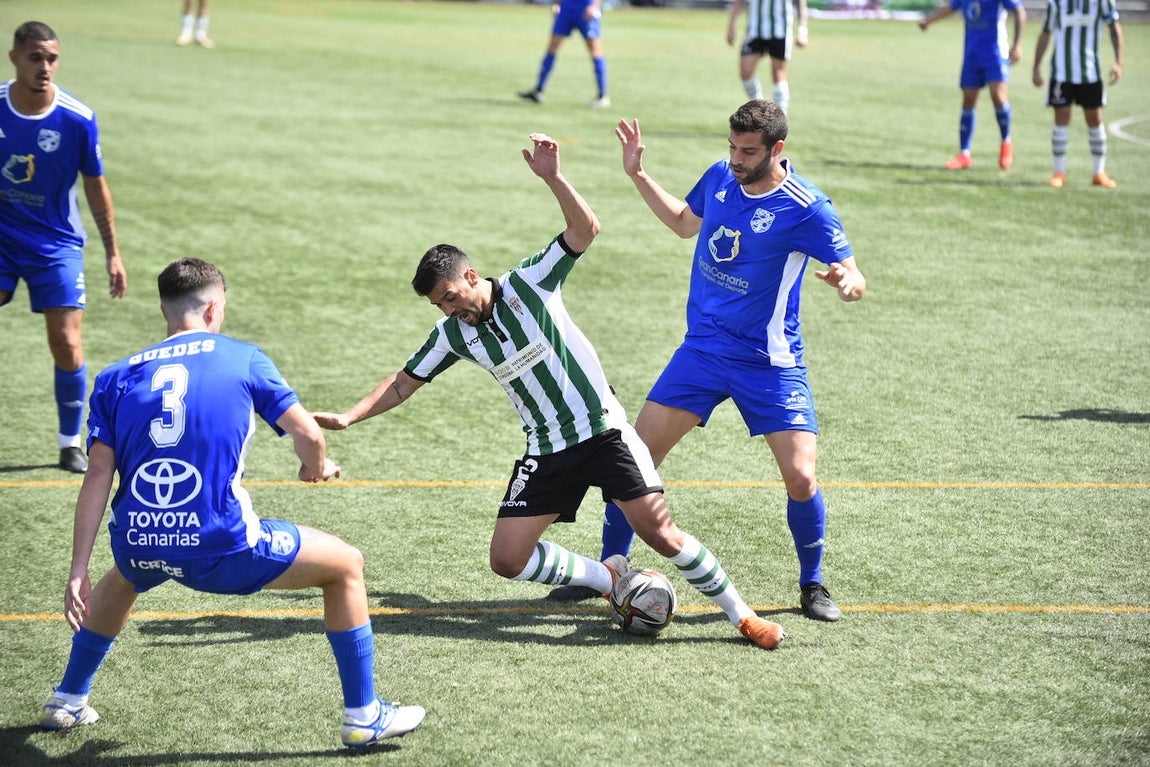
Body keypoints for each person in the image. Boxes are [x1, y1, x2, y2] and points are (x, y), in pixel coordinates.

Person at [313, 133, 786, 651]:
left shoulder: (528, 284)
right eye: (440, 306)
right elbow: (404, 382)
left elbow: (585, 229)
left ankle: (743, 617)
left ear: (471, 276)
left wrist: (553, 178)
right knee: (507, 560)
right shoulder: (456, 334)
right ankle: (609, 579)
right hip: (546, 449)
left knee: (660, 533)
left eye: (451, 296)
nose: (450, 309)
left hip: (604, 433)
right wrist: (349, 417)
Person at [38, 258, 425, 749]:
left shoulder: (116, 377)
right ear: (215, 307)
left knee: (121, 578)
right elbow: (306, 432)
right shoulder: (243, 358)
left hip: (139, 542)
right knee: (346, 564)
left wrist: (77, 569)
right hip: (220, 543)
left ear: (164, 310)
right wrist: (316, 466)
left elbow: (96, 476)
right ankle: (364, 714)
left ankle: (67, 698)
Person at [549, 100, 865, 624]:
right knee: (632, 458)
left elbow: (854, 276)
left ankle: (812, 583)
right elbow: (682, 222)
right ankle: (611, 568)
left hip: (771, 363)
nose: (737, 159)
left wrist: (845, 283)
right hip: (702, 351)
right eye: (733, 147)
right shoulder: (720, 176)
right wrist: (639, 174)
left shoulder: (806, 207)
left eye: (748, 151)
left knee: (802, 478)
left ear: (776, 149)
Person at [0, 21, 126, 474]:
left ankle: (70, 442)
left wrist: (112, 251)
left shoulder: (77, 118)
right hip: (1, 236)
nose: (45, 67)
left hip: (55, 244)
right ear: (14, 58)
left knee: (68, 343)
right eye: (35, 57)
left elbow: (96, 188)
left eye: (51, 58)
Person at [919, 0, 1026, 170]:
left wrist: (1017, 45)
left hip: (995, 52)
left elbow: (1019, 11)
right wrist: (929, 21)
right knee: (968, 99)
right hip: (972, 52)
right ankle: (964, 154)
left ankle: (1006, 144)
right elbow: (951, 7)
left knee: (998, 96)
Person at [1032, 0, 1124, 188]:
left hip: (1091, 71)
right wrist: (1036, 66)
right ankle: (1059, 172)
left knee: (1095, 118)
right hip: (1061, 72)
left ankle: (1099, 172)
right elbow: (1046, 31)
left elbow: (1114, 27)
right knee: (1061, 116)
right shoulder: (1056, 2)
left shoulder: (1102, 2)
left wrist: (1118, 62)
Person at [518, 0, 610, 109]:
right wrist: (556, 3)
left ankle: (602, 96)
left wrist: (595, 5)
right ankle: (538, 90)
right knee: (552, 48)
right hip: (566, 7)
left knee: (595, 51)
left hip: (586, 7)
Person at [726, 0, 808, 115]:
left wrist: (802, 30)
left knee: (778, 74)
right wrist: (731, 26)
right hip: (754, 30)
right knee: (745, 72)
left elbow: (800, 2)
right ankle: (759, 110)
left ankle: (780, 120)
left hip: (780, 30)